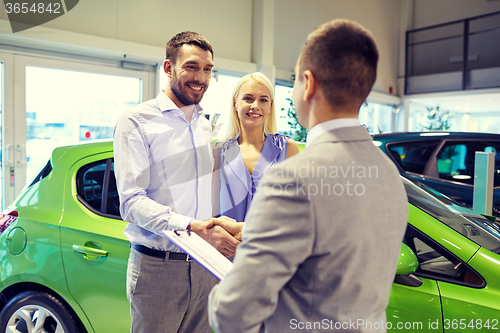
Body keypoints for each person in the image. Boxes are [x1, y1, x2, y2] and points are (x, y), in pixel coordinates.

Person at [208, 19, 408, 333]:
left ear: (308, 83)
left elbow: (232, 312)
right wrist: (251, 229)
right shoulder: (389, 174)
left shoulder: (293, 178)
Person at [114, 31, 240, 333]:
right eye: (192, 67)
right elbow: (131, 202)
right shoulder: (136, 121)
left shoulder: (205, 126)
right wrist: (191, 227)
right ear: (169, 68)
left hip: (207, 266)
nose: (201, 78)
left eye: (208, 69)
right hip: (159, 268)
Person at [213, 72, 300, 221]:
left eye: (263, 100)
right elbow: (212, 209)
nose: (255, 106)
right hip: (226, 242)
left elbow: (298, 208)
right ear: (235, 103)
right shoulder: (219, 151)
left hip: (272, 242)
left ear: (270, 106)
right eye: (248, 98)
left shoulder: (288, 149)